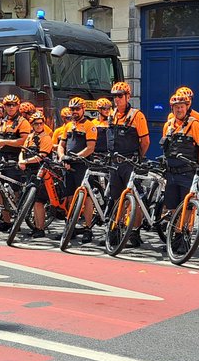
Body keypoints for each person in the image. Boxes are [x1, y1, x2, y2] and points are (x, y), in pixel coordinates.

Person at [105, 81, 150, 246]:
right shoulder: (112, 114)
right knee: (117, 198)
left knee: (134, 198)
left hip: (130, 163)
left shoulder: (137, 116)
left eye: (120, 96)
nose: (117, 99)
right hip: (114, 163)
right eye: (114, 96)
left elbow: (145, 142)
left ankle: (135, 232)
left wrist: (138, 158)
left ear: (128, 97)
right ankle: (117, 228)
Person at [162, 90, 199, 224]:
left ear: (187, 107)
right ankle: (174, 231)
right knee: (172, 206)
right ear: (172, 108)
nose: (179, 110)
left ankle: (183, 232)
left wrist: (197, 164)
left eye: (182, 106)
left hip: (187, 172)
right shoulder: (168, 126)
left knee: (187, 206)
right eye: (176, 107)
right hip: (171, 173)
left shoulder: (195, 124)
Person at [58, 96, 100, 240]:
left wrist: (75, 158)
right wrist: (62, 156)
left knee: (86, 197)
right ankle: (70, 227)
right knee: (70, 197)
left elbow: (90, 148)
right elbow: (61, 145)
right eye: (72, 109)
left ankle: (88, 228)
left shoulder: (90, 125)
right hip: (68, 165)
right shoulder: (68, 126)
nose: (74, 111)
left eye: (77, 109)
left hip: (83, 166)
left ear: (83, 109)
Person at [19, 111, 58, 238]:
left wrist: (25, 161)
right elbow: (22, 151)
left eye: (41, 123)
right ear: (32, 125)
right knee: (33, 200)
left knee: (38, 201)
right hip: (31, 171)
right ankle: (36, 227)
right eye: (36, 124)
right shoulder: (30, 137)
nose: (39, 125)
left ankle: (40, 229)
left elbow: (41, 156)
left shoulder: (46, 137)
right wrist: (20, 160)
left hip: (42, 172)